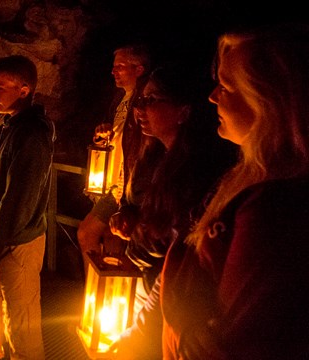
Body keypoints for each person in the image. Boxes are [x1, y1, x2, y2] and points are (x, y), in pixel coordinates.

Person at [160, 24, 309, 359]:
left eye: (226, 86)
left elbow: (244, 339)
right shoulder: (247, 180)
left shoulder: (274, 207)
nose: (212, 96)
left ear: (268, 101)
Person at [108, 65, 238, 360]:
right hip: (148, 282)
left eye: (152, 100)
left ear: (183, 112)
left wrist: (144, 234)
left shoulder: (199, 173)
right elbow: (138, 203)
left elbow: (180, 244)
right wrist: (128, 213)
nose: (140, 108)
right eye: (141, 99)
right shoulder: (151, 155)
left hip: (170, 297)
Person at [0, 55, 55, 360]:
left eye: (1, 87)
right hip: (4, 239)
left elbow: (17, 200)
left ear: (24, 89)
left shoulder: (32, 134)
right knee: (11, 315)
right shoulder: (6, 129)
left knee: (22, 324)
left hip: (18, 243)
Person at [77, 44, 152, 277]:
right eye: (113, 67)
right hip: (113, 183)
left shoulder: (145, 101)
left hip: (124, 186)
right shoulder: (121, 100)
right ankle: (104, 293)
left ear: (139, 69)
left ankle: (96, 288)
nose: (114, 72)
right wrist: (105, 132)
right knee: (111, 239)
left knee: (86, 232)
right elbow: (119, 137)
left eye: (120, 66)